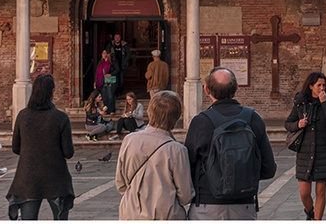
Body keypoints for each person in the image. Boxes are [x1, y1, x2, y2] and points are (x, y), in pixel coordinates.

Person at [184, 67, 276, 220]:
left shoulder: (201, 121)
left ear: (207, 90)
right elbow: (269, 169)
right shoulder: (253, 118)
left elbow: (188, 166)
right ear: (236, 88)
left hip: (207, 204)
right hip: (244, 205)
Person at [115, 90, 193, 221]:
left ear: (149, 112)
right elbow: (185, 196)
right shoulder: (177, 150)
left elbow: (121, 184)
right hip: (165, 216)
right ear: (176, 117)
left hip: (131, 213)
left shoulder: (129, 140)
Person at [8, 73, 76, 220]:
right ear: (52, 92)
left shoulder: (23, 116)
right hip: (55, 176)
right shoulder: (60, 117)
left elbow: (15, 148)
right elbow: (68, 152)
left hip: (28, 176)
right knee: (60, 218)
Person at [285, 72, 326, 220]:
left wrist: (325, 103)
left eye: (324, 85)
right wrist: (298, 124)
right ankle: (310, 212)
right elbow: (287, 124)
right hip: (305, 151)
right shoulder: (301, 102)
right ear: (310, 86)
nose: (322, 88)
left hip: (324, 151)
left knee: (321, 191)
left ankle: (317, 220)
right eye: (318, 85)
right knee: (304, 193)